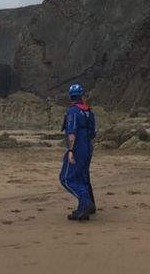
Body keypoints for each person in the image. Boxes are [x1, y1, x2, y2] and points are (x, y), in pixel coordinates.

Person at [59, 83, 97, 221]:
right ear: (82, 96)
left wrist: (70, 150)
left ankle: (85, 202)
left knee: (66, 178)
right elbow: (93, 134)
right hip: (88, 146)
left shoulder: (72, 112)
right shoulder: (89, 112)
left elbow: (72, 133)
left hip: (78, 147)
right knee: (83, 176)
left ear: (70, 97)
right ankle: (87, 206)